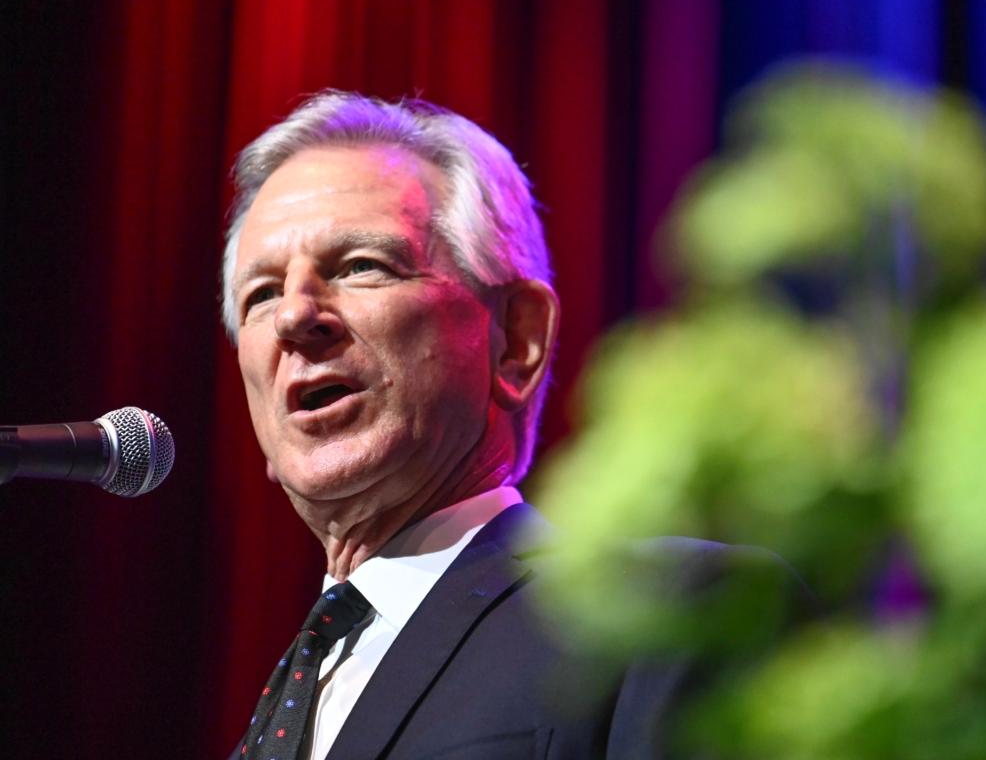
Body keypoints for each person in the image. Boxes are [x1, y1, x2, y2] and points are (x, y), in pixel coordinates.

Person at [222, 91, 801, 760]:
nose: (294, 317)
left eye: (361, 267)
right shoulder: (277, 715)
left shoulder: (661, 620)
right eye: (261, 293)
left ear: (516, 341)